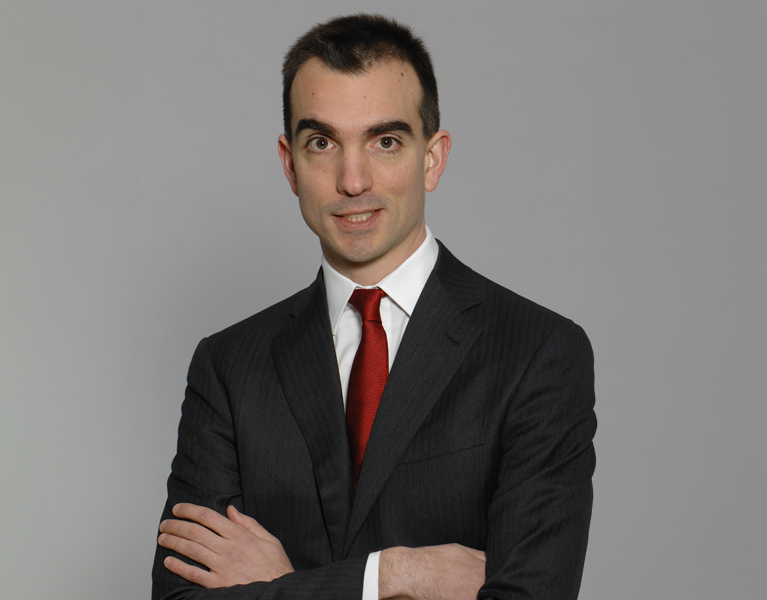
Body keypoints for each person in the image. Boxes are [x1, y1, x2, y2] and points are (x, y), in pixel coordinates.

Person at [152, 13, 596, 600]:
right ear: (290, 164)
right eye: (322, 143)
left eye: (385, 141)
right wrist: (393, 575)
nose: (353, 180)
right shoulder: (229, 367)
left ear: (432, 159)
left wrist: (282, 588)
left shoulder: (537, 352)